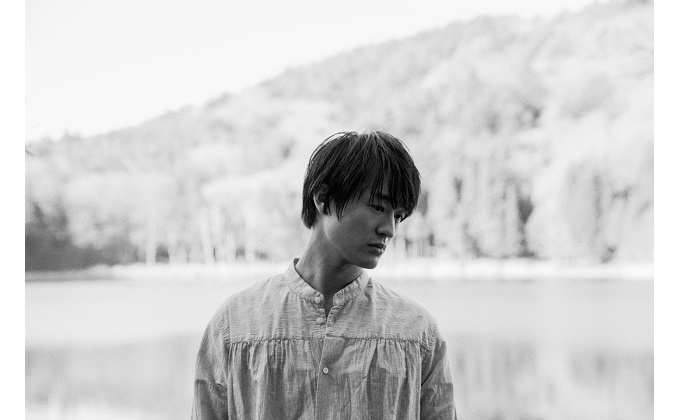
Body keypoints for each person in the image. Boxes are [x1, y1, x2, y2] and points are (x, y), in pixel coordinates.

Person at [192, 131, 456, 419]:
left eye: (398, 216)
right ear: (323, 199)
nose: (389, 229)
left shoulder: (417, 333)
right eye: (378, 207)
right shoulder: (235, 324)